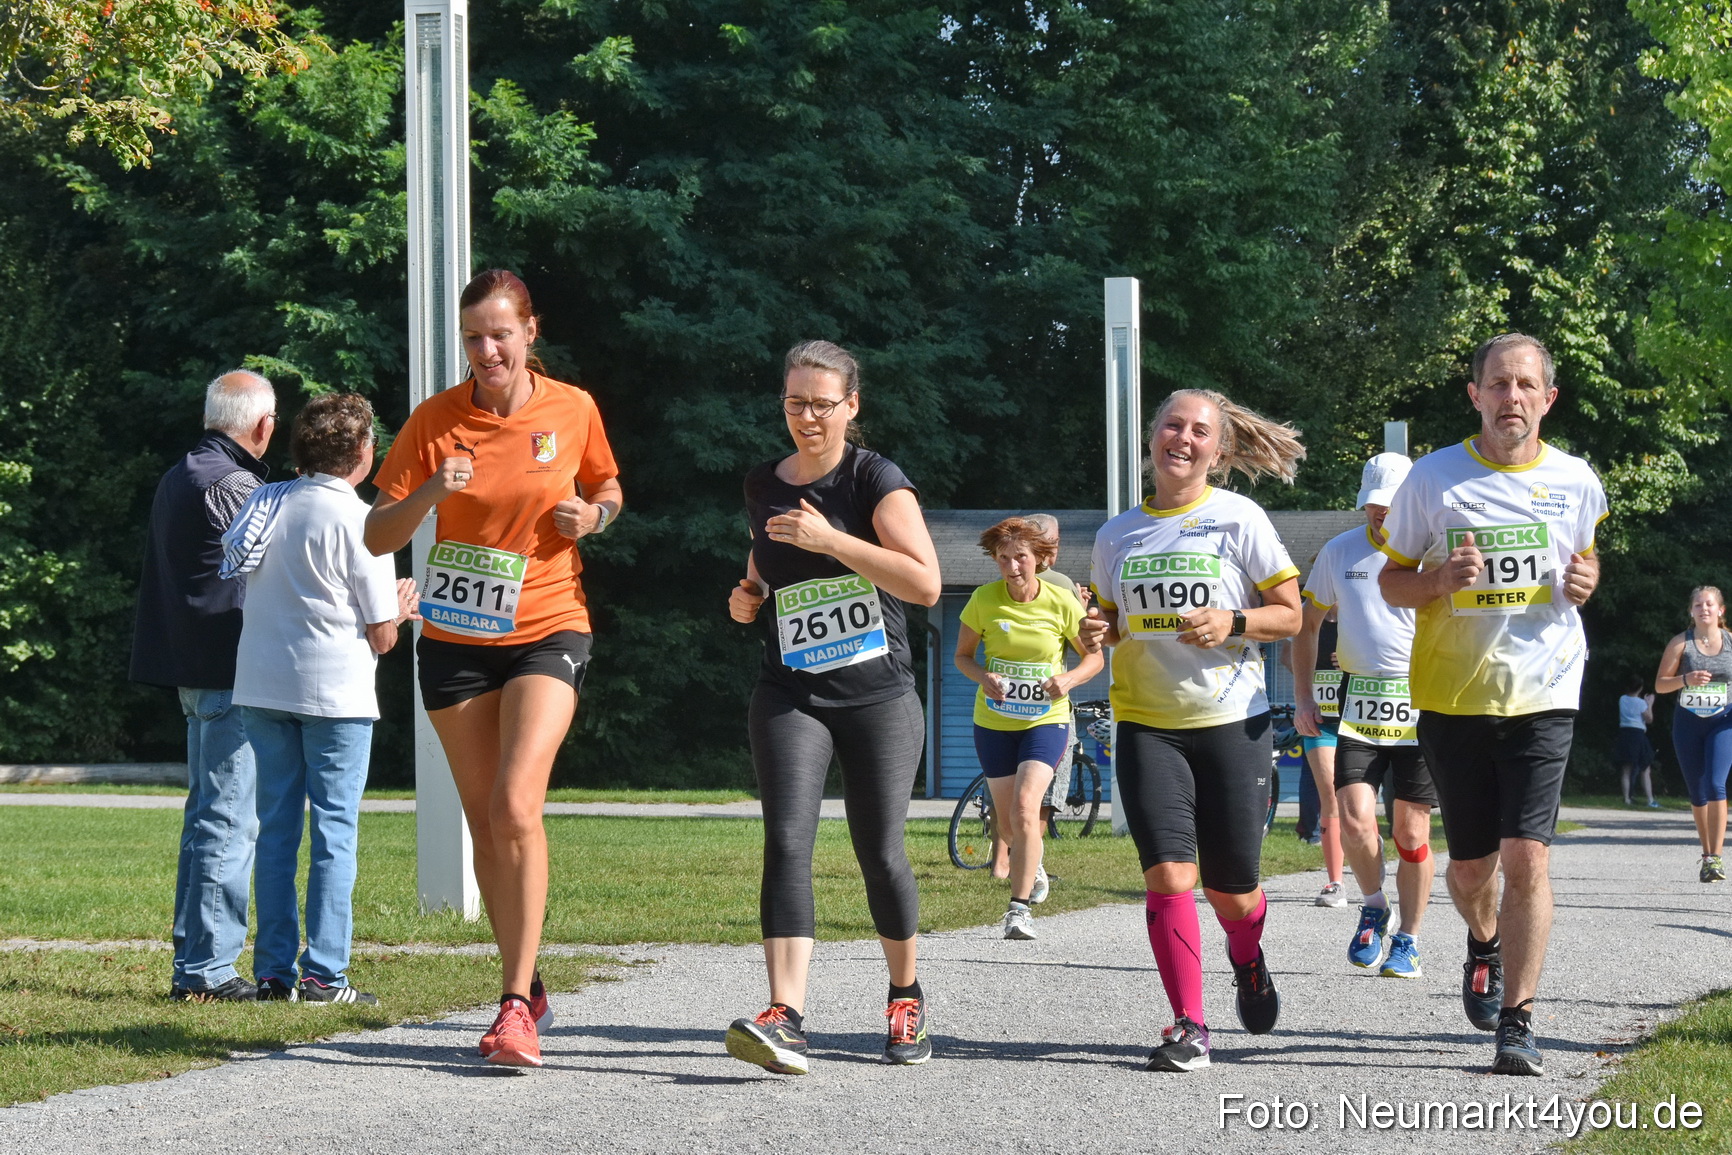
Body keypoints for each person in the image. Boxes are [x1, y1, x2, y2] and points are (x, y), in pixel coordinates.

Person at [365, 269, 622, 1067]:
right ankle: (527, 977)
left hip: (548, 623)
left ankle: (514, 1007)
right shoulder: (436, 420)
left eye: (500, 333)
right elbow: (378, 533)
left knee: (516, 801)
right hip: (456, 636)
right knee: (486, 819)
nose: (487, 349)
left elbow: (608, 486)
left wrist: (595, 516)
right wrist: (431, 491)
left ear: (530, 332)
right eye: (474, 336)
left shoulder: (572, 407)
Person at [1378, 332, 1607, 1077]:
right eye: (1498, 384)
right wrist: (1439, 582)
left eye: (1525, 385)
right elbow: (1390, 581)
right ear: (1475, 395)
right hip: (1453, 695)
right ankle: (1483, 943)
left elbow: (1586, 556)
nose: (1513, 397)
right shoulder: (1432, 479)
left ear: (1548, 397)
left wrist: (1586, 581)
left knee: (1527, 856)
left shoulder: (1576, 480)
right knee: (1473, 871)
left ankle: (1520, 1019)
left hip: (1545, 689)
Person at [723, 339, 942, 1075]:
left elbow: (924, 583)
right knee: (787, 840)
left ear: (851, 405)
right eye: (795, 403)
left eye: (822, 403)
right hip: (790, 691)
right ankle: (786, 1014)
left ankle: (905, 993)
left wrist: (834, 539)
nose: (807, 417)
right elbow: (767, 554)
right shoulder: (764, 482)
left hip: (878, 694)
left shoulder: (876, 479)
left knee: (879, 851)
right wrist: (750, 592)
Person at [1082, 388, 1304, 1073]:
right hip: (1149, 725)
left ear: (1221, 449)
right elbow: (1110, 625)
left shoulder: (1239, 519)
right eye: (1172, 425)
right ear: (1153, 437)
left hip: (1232, 724)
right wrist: (1098, 629)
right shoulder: (1117, 534)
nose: (1183, 438)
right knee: (1171, 874)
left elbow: (1290, 615)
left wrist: (1232, 623)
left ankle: (1248, 956)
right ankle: (1189, 1024)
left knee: (1232, 892)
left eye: (1199, 431)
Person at [224, 394, 420, 1004]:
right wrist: (404, 610)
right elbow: (381, 636)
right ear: (363, 454)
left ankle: (274, 972)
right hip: (335, 693)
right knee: (334, 830)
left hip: (260, 684)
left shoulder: (265, 503)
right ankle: (324, 974)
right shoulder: (365, 523)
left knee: (276, 829)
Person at [131, 370, 277, 1002]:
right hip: (226, 670)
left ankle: (195, 961)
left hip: (193, 666)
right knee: (227, 821)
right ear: (262, 425)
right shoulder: (231, 482)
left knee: (206, 818)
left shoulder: (181, 471)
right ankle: (207, 971)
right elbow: (283, 555)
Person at [1299, 452, 1438, 980]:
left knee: (1409, 829)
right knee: (1355, 819)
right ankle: (1374, 905)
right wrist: (1306, 696)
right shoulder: (1339, 552)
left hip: (1421, 701)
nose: (1381, 514)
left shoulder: (1433, 552)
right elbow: (1307, 626)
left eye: (1392, 505)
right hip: (1360, 702)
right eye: (1373, 505)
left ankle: (1409, 938)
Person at [953, 516, 1103, 939]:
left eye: (1020, 557)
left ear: (1039, 559)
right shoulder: (983, 600)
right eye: (1003, 559)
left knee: (1025, 807)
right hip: (995, 721)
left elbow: (1093, 659)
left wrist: (1068, 680)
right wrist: (984, 677)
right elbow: (962, 657)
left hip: (1045, 720)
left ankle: (1017, 911)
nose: (1012, 566)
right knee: (1006, 824)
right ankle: (1031, 864)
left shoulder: (1062, 601)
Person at [1654, 587, 1732, 879]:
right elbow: (1661, 685)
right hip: (1688, 723)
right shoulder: (1680, 644)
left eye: (1710, 604)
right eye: (1698, 605)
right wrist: (1686, 678)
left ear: (1720, 610)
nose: (1704, 609)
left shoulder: (1731, 643)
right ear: (1691, 611)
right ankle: (1706, 853)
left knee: (1716, 784)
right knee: (1698, 793)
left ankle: (1716, 857)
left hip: (1723, 721)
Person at [1283, 612, 1347, 904]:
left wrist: (1351, 663)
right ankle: (1335, 883)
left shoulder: (1359, 616)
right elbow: (1287, 655)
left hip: (1357, 719)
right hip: (1320, 721)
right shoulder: (1308, 621)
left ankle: (1371, 845)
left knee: (1358, 802)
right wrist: (1307, 672)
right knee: (1329, 793)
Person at [1614, 677, 1658, 810]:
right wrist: (1649, 703)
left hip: (1625, 733)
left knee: (1626, 769)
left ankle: (1627, 798)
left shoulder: (1622, 699)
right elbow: (1649, 719)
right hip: (1638, 734)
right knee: (1645, 768)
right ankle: (1650, 799)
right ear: (1640, 688)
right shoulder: (1640, 703)